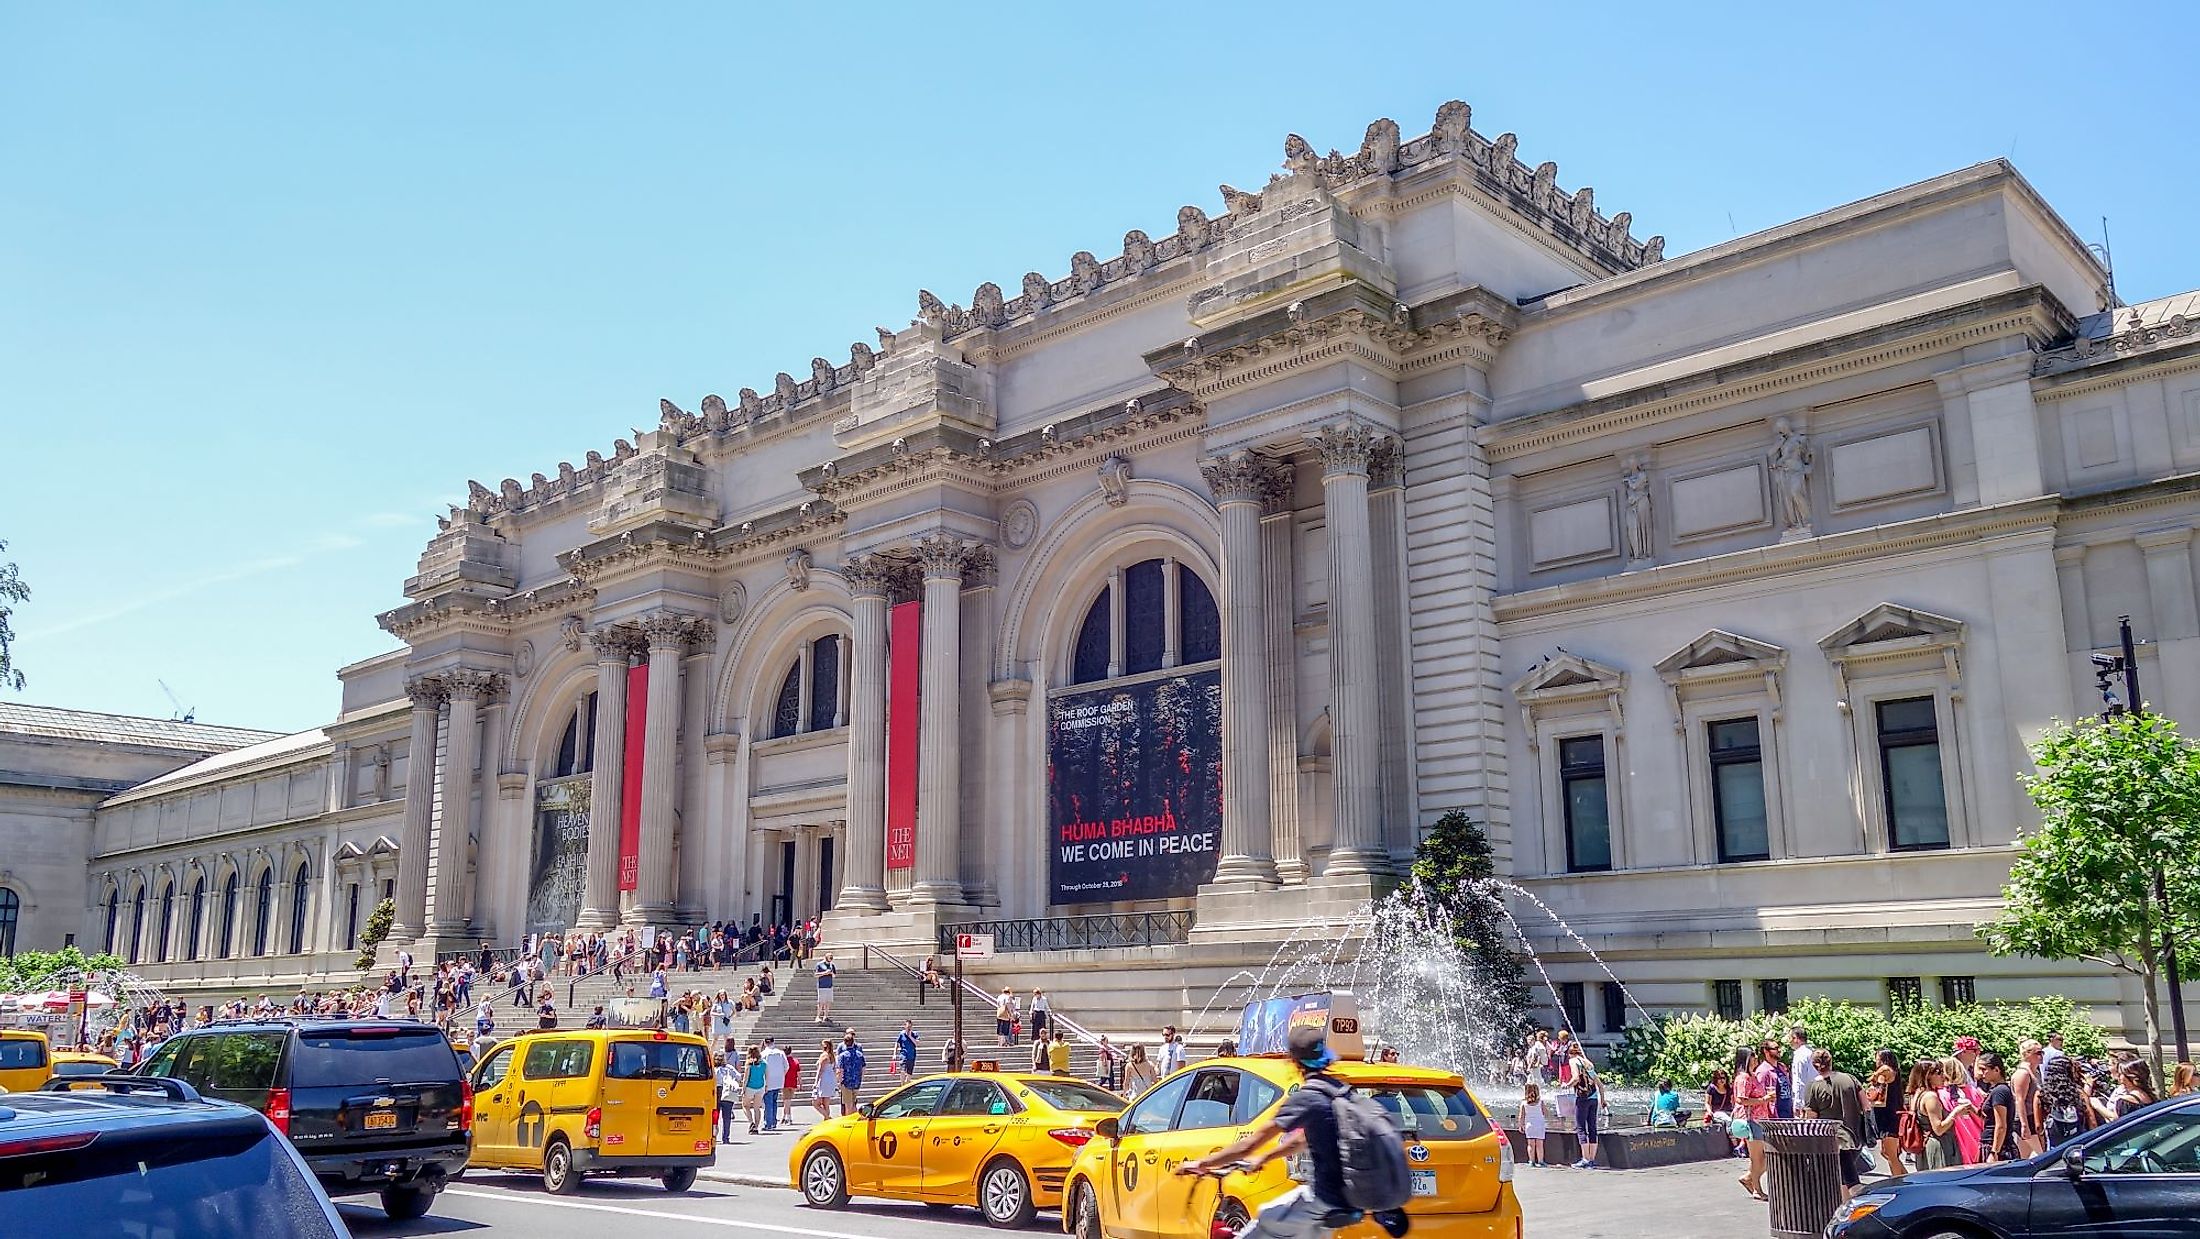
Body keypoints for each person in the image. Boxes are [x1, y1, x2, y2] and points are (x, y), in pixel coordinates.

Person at [1182, 1026, 1388, 1239]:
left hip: (1320, 1199)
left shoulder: (1307, 1097)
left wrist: (1202, 1164)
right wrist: (1264, 1157)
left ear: (1295, 1061)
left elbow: (1249, 1145)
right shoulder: (1341, 1091)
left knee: (1265, 1220)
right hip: (1346, 1201)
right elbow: (1301, 1139)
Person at [1802, 1048, 1868, 1201]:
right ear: (1831, 1061)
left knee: (1852, 1183)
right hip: (1855, 1136)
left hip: (1833, 1141)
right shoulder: (1850, 1079)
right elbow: (1866, 1106)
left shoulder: (1812, 1086)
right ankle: (1845, 1212)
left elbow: (1811, 1117)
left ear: (1814, 1065)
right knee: (1843, 1179)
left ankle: (1866, 1211)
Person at [1909, 1058, 1967, 1170]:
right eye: (1939, 1072)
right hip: (1939, 1147)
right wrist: (1956, 1113)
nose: (1943, 1075)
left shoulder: (1918, 1093)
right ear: (1927, 1076)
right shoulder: (1931, 1097)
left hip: (1927, 1144)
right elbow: (1939, 1129)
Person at [1733, 1044, 1774, 1199]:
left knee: (1763, 1157)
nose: (1756, 1058)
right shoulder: (1743, 1078)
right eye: (1753, 1055)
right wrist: (1763, 1099)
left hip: (1760, 1120)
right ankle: (1757, 1188)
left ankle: (1749, 1178)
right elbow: (1741, 1099)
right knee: (1758, 1158)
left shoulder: (1752, 1076)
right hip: (1751, 1120)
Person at [1868, 1049, 1905, 1177]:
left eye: (1877, 1058)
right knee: (1886, 1152)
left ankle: (1898, 1182)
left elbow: (1884, 1068)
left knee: (1891, 1154)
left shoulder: (1888, 1072)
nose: (1875, 1061)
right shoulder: (1890, 1073)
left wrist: (1874, 1076)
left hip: (1889, 1116)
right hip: (1885, 1116)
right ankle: (1906, 1178)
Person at [1977, 1052, 2019, 1164]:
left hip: (1998, 1147)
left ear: (1996, 1070)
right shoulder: (1996, 1090)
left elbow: (2001, 1125)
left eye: (1983, 1069)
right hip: (1994, 1143)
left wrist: (1994, 1152)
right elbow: (1988, 1117)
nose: (1981, 1074)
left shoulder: (1999, 1091)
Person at [2040, 1052, 2086, 1149]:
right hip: (2078, 1142)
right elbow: (2091, 1119)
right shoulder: (2078, 1093)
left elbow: (2038, 1126)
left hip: (2054, 1146)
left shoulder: (2042, 1095)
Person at [2090, 1058, 2157, 1123]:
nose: (2118, 1075)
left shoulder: (2125, 1101)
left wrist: (2097, 1105)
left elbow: (2116, 1123)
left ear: (2130, 1077)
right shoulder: (2149, 1095)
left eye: (2120, 1073)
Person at [1568, 1048, 1603, 1169]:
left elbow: (1576, 1078)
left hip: (1582, 1098)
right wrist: (1603, 1100)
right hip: (1594, 1099)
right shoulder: (1588, 1063)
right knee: (1592, 1128)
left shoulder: (1573, 1062)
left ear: (1571, 1054)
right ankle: (1592, 1160)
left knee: (1581, 1127)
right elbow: (1600, 1085)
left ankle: (1585, 1159)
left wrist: (1566, 1085)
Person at [2010, 1040, 2043, 1158]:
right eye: (2038, 1053)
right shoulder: (2023, 1074)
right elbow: (2019, 1100)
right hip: (2026, 1119)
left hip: (2032, 1117)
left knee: (2025, 1157)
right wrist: (2024, 1125)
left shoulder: (2035, 1072)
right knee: (2043, 1155)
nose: (2041, 1056)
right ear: (2027, 1054)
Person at [762, 1037, 789, 1132]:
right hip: (778, 1080)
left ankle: (768, 1123)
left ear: (765, 1043)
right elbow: (786, 1066)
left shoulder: (764, 1054)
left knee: (768, 1102)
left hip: (768, 1080)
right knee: (774, 1101)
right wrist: (782, 1075)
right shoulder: (781, 1053)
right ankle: (773, 1121)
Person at [836, 1030, 866, 1116]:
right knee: (853, 1104)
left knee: (848, 1106)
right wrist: (861, 1078)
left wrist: (839, 1082)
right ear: (853, 1043)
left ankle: (849, 1124)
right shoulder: (860, 1054)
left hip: (846, 1083)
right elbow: (863, 1068)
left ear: (845, 1043)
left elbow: (840, 1070)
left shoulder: (842, 1056)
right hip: (856, 1082)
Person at [715, 1051, 743, 1144]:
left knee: (714, 1117)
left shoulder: (713, 1069)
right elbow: (739, 1076)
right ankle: (726, 1137)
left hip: (715, 1092)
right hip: (727, 1092)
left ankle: (713, 1135)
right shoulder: (729, 1068)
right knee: (727, 1117)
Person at [1520, 1081, 1548, 1167]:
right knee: (1540, 1144)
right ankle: (1540, 1161)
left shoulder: (1524, 1103)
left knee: (1530, 1144)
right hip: (1539, 1125)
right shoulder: (1541, 1102)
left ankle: (1531, 1161)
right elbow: (1545, 1113)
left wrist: (1521, 1125)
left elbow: (1521, 1116)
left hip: (1529, 1125)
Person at [811, 1038, 839, 1120]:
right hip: (831, 1079)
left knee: (815, 1103)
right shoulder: (832, 1056)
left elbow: (820, 1070)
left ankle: (827, 1117)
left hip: (824, 1079)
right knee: (826, 1103)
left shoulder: (824, 1055)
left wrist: (816, 1082)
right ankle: (826, 1119)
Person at [742, 1046, 768, 1133]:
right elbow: (766, 1075)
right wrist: (766, 1085)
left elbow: (746, 1078)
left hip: (750, 1087)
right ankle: (756, 1127)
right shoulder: (764, 1063)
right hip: (760, 1087)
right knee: (757, 1108)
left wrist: (743, 1089)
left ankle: (751, 1122)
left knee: (745, 1105)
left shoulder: (749, 1064)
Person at [814, 952, 837, 1024]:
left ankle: (825, 1016)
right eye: (829, 957)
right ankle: (818, 1016)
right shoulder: (819, 964)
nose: (830, 959)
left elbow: (834, 975)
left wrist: (831, 973)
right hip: (822, 986)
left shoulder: (832, 965)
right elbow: (816, 974)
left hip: (829, 985)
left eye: (831, 958)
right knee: (821, 1002)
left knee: (828, 1002)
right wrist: (824, 973)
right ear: (826, 957)